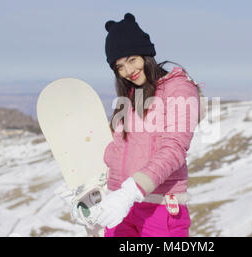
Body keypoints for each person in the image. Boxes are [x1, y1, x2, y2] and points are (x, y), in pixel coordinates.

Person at [84, 12, 202, 237]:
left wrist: (130, 192)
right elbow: (118, 150)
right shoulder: (131, 96)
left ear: (146, 54)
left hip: (160, 208)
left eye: (132, 59)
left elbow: (174, 149)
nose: (128, 71)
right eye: (119, 66)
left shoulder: (178, 89)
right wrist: (98, 192)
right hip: (122, 208)